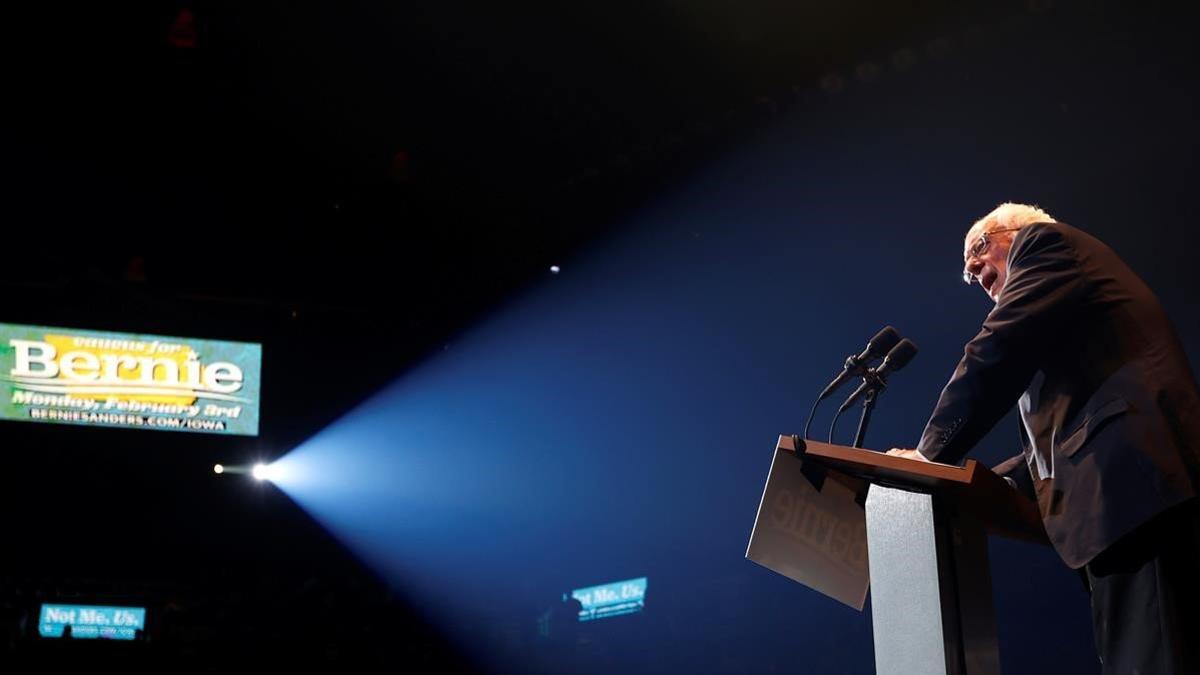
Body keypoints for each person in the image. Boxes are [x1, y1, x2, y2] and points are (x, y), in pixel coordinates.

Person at [887, 202, 1200, 673]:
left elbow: (994, 354)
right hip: (1121, 513)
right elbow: (1053, 445)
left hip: (1140, 497)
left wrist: (928, 456)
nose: (971, 270)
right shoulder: (1064, 321)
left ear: (1020, 231)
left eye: (979, 247)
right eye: (967, 269)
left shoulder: (1046, 244)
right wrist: (980, 483)